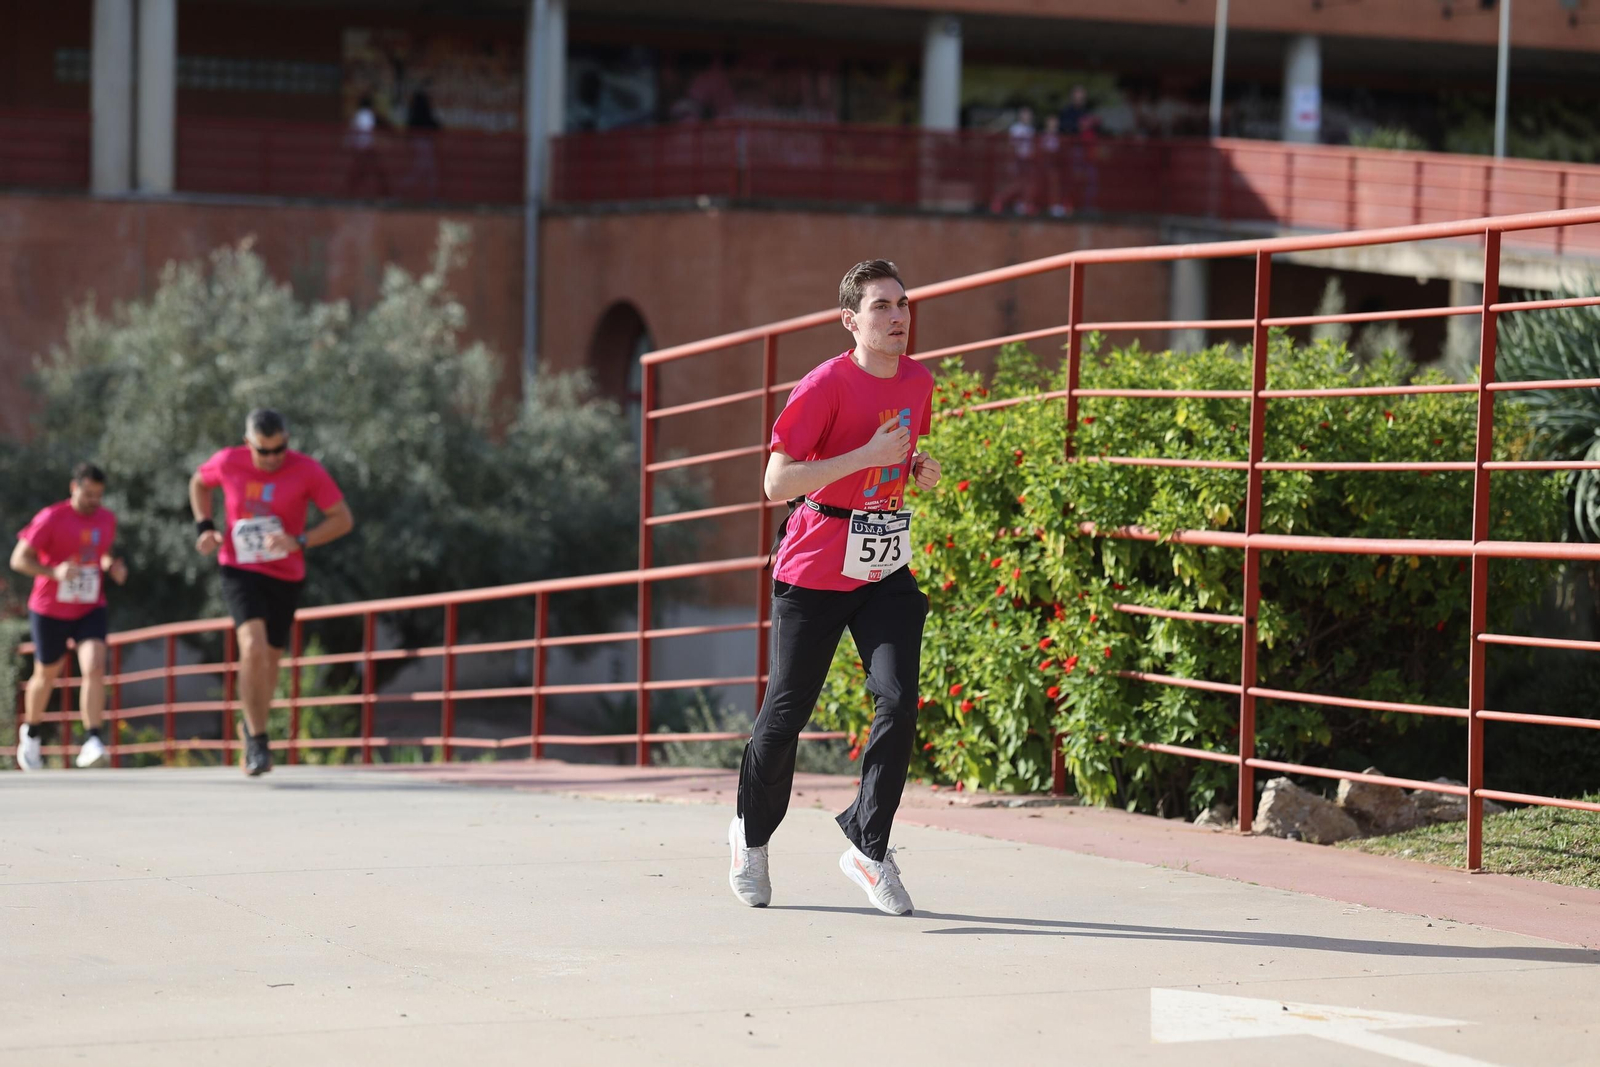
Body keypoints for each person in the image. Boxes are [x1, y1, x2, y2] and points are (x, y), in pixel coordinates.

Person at [729, 260, 942, 916]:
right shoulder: (825, 385)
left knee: (899, 699)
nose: (898, 315)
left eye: (903, 303)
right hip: (815, 565)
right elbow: (775, 483)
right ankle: (750, 835)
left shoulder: (918, 380)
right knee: (786, 714)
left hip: (882, 563)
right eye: (881, 306)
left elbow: (894, 459)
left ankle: (868, 845)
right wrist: (866, 458)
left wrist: (915, 467)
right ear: (851, 320)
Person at [190, 409, 353, 776]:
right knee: (253, 648)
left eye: (280, 448)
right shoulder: (228, 461)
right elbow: (198, 483)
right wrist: (205, 527)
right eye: (264, 452)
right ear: (248, 443)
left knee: (270, 663)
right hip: (239, 569)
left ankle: (251, 726)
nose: (273, 458)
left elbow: (342, 518)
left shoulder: (307, 469)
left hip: (285, 574)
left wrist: (300, 540)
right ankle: (258, 743)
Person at [10, 463, 128, 771]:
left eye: (98, 495)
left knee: (95, 665)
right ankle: (32, 733)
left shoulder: (107, 519)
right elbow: (18, 560)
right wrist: (54, 572)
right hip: (49, 608)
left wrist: (110, 566)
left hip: (89, 605)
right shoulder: (51, 518)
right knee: (47, 672)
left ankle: (91, 740)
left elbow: (101, 551)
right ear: (73, 488)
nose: (93, 501)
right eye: (88, 494)